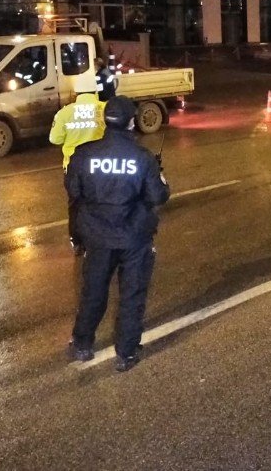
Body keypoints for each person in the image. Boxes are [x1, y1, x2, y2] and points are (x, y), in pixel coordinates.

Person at [65, 96, 170, 372]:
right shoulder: (143, 159)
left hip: (97, 236)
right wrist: (162, 179)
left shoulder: (84, 154)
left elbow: (73, 191)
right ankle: (126, 352)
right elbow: (158, 196)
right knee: (132, 293)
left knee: (93, 291)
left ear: (105, 121)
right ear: (131, 122)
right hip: (133, 237)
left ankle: (82, 344)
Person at [49, 74, 106, 253]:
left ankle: (77, 242)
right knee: (99, 203)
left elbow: (55, 139)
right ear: (95, 90)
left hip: (73, 168)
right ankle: (99, 239)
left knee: (76, 206)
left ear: (77, 92)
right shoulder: (104, 109)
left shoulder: (65, 112)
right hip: (99, 167)